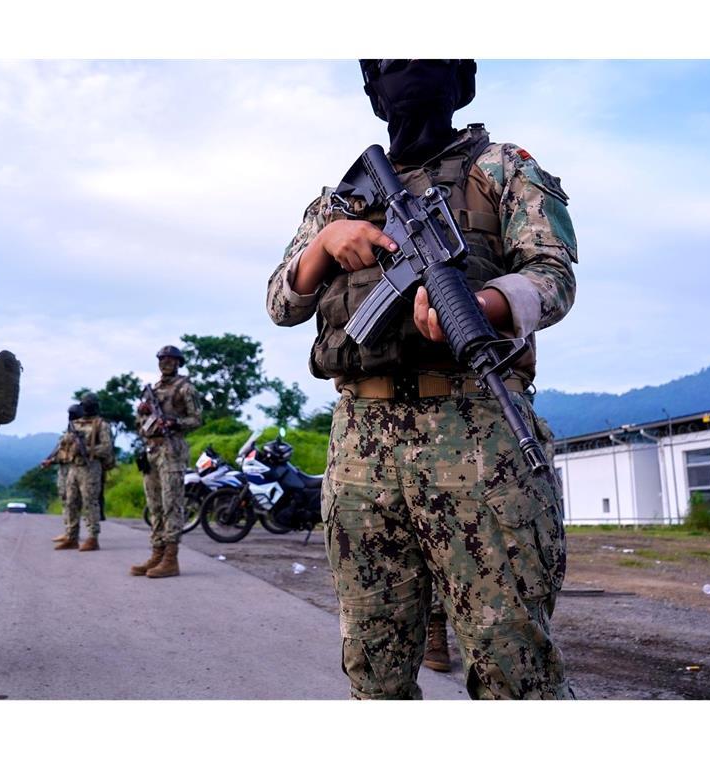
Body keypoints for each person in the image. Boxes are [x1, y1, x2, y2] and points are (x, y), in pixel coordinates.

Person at [266, 60, 577, 699]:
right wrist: (326, 243)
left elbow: (554, 276)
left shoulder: (503, 168)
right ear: (373, 91)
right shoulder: (337, 200)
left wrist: (484, 304)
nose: (410, 70)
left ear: (461, 81)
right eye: (393, 61)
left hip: (479, 431)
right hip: (360, 448)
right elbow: (280, 304)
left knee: (514, 664)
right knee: (375, 669)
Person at [129, 345, 201, 579]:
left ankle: (171, 558)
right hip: (152, 449)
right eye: (162, 359)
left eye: (171, 359)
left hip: (172, 449)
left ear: (179, 362)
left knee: (171, 503)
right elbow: (140, 425)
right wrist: (142, 413)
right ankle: (157, 554)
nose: (166, 363)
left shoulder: (185, 387)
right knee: (155, 505)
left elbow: (197, 419)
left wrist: (174, 423)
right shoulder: (153, 389)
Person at [41, 395, 113, 551]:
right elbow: (63, 447)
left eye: (90, 404)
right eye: (86, 404)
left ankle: (93, 538)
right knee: (71, 502)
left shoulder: (102, 425)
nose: (88, 407)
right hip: (73, 468)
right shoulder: (75, 424)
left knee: (90, 502)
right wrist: (55, 458)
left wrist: (86, 450)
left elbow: (107, 448)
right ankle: (71, 537)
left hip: (90, 467)